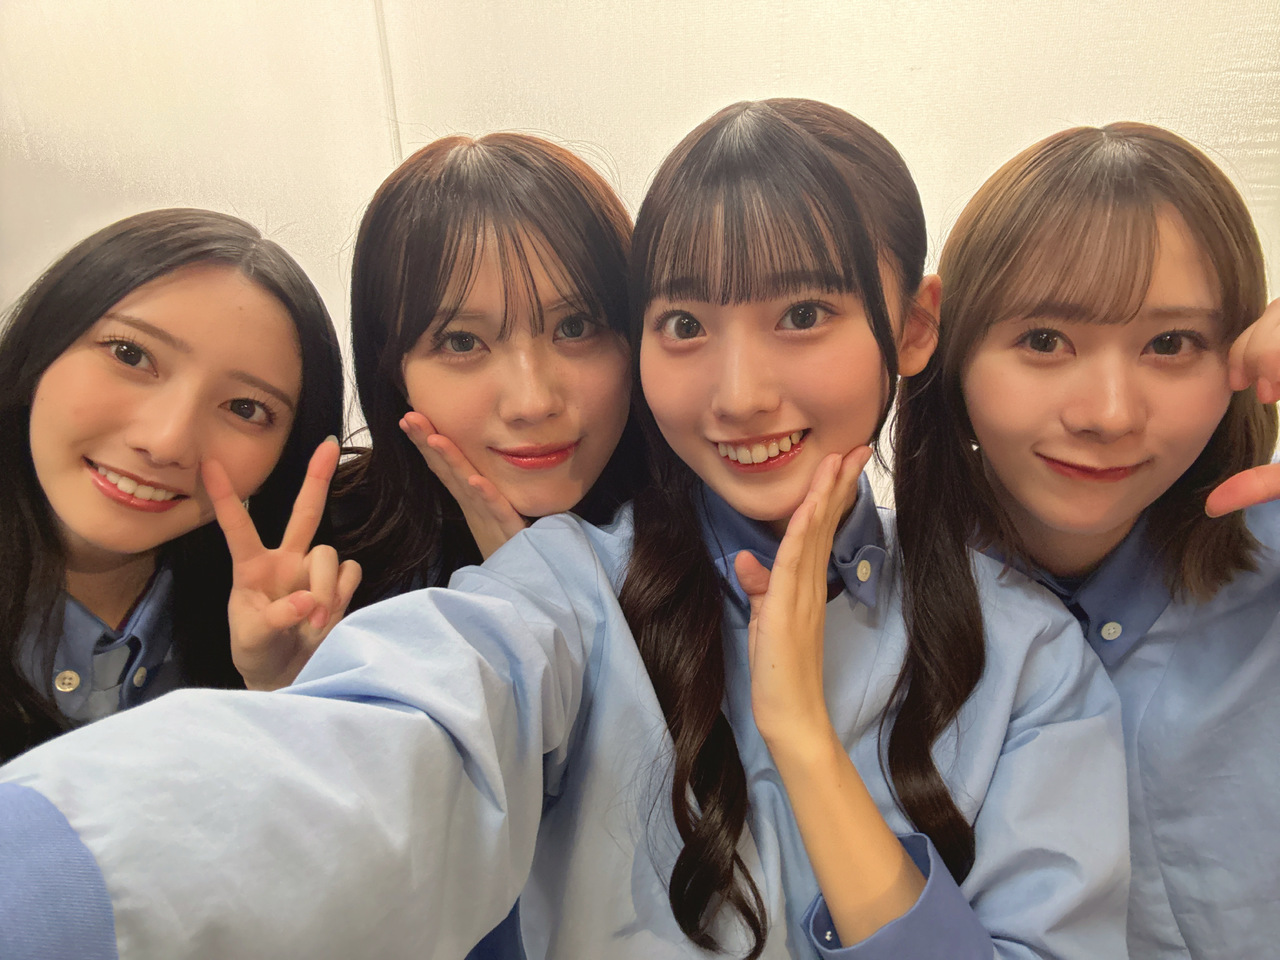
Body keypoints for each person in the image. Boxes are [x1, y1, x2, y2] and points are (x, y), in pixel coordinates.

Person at [0, 103, 1126, 960]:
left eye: (802, 313)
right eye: (684, 322)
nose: (739, 394)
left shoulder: (1030, 650)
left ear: (914, 326)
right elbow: (397, 740)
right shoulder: (550, 587)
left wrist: (801, 737)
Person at [895, 121, 1279, 958]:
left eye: (1170, 344)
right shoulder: (862, 624)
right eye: (1045, 341)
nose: (1108, 414)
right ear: (948, 351)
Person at [0, 208, 346, 761]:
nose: (166, 443)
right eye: (131, 355)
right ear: (43, 345)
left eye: (244, 408)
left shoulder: (273, 631)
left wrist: (280, 698)